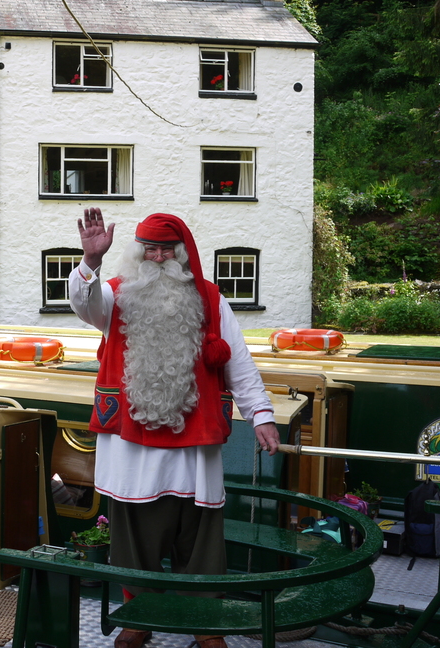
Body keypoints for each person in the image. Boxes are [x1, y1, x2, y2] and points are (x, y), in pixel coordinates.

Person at [69, 208, 281, 648]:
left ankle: (203, 622)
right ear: (136, 251)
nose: (159, 256)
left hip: (193, 447)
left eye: (167, 248)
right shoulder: (114, 297)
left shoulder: (210, 299)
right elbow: (84, 305)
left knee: (200, 538)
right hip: (133, 448)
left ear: (182, 254)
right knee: (133, 539)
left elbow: (239, 363)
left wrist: (260, 414)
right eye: (150, 247)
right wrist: (90, 261)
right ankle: (139, 618)